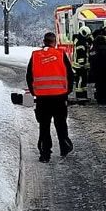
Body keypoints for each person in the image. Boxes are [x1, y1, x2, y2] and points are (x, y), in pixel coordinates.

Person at [26, 31, 75, 162]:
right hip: (59, 97)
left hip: (42, 98)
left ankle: (45, 153)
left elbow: (29, 76)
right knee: (61, 124)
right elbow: (70, 75)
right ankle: (64, 147)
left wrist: (34, 92)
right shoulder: (60, 54)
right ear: (54, 42)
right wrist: (67, 91)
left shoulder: (35, 56)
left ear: (44, 42)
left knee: (44, 126)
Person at [90, 19, 106, 105]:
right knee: (105, 84)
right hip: (105, 67)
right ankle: (105, 99)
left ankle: (100, 99)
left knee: (99, 84)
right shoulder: (102, 36)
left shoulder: (97, 34)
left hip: (98, 67)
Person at [72, 24, 92, 101]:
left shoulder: (80, 40)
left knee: (83, 80)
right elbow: (80, 54)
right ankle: (80, 96)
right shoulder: (80, 42)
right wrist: (82, 64)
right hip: (80, 66)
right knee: (80, 81)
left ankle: (83, 95)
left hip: (81, 65)